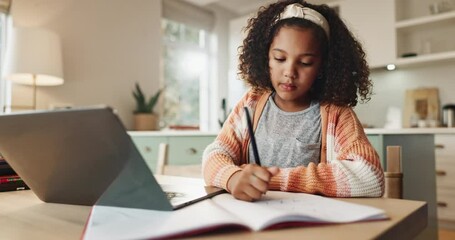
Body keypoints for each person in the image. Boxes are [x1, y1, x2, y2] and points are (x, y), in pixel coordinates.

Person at [202, 0, 384, 202]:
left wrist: (274, 180)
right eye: (280, 58)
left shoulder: (336, 114)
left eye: (305, 63)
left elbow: (370, 176)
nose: (289, 72)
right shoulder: (251, 103)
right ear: (266, 58)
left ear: (323, 67)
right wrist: (233, 177)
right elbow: (214, 156)